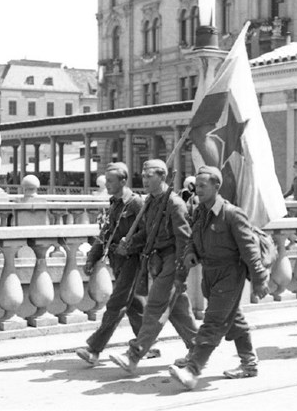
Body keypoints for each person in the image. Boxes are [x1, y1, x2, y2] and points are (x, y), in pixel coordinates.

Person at [168, 166, 270, 390]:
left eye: (204, 186)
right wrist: (191, 253)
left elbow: (249, 250)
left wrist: (260, 279)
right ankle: (249, 363)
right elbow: (193, 239)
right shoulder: (201, 212)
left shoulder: (232, 214)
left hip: (230, 274)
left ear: (217, 186)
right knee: (234, 318)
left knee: (213, 322)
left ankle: (193, 369)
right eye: (198, 185)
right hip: (210, 275)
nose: (199, 189)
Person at [109, 159, 199, 374]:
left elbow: (184, 242)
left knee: (155, 306)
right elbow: (147, 233)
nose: (144, 179)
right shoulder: (151, 201)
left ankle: (134, 354)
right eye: (143, 175)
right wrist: (130, 243)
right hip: (157, 260)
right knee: (178, 311)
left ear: (163, 177)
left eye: (149, 175)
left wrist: (180, 273)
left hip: (172, 259)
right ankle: (198, 349)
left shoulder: (174, 204)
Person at [75, 162, 151, 365]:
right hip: (117, 260)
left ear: (123, 181)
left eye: (110, 180)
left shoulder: (135, 203)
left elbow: (148, 232)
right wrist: (92, 257)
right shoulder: (114, 203)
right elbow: (106, 233)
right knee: (134, 305)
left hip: (133, 260)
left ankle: (94, 349)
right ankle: (146, 344)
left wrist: (131, 243)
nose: (106, 184)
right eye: (106, 180)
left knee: (116, 304)